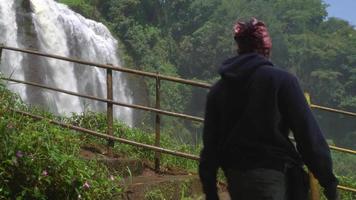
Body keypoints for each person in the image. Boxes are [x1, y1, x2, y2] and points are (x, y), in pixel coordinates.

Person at [199, 18, 338, 200]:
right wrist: (329, 182)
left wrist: (211, 191)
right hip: (274, 177)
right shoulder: (282, 81)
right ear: (266, 48)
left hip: (237, 179)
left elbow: (210, 147)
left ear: (239, 47)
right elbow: (308, 137)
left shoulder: (218, 90)